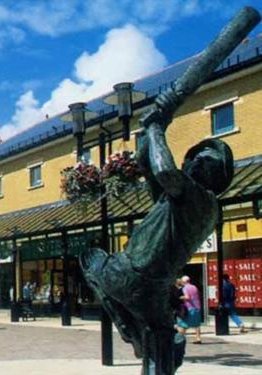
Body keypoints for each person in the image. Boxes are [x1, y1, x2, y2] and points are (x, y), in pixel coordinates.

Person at [80, 89, 234, 371]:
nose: (200, 162)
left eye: (208, 160)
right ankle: (141, 336)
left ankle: (132, 329)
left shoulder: (201, 199)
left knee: (91, 259)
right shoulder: (174, 201)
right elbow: (146, 164)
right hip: (153, 289)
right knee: (162, 345)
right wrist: (151, 129)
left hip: (129, 272)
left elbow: (163, 171)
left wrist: (155, 128)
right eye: (199, 157)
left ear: (216, 177)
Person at [177, 276, 202, 344]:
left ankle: (180, 339)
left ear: (184, 281)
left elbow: (187, 297)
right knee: (196, 324)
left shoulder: (185, 288)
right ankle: (198, 338)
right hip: (197, 307)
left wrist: (180, 297)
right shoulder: (194, 286)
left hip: (189, 308)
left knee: (181, 324)